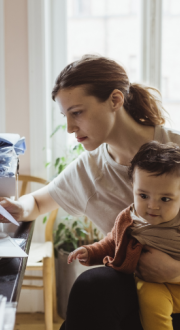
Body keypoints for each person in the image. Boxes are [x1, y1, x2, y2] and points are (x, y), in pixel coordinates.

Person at [0, 55, 180, 329]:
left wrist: (176, 272)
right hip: (133, 288)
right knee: (92, 287)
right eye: (66, 116)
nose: (70, 128)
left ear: (115, 100)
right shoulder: (89, 170)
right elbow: (37, 201)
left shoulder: (174, 150)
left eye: (77, 112)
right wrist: (17, 207)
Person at [68, 141, 180, 330]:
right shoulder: (129, 218)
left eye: (165, 199)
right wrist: (91, 252)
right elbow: (112, 241)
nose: (152, 206)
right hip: (152, 283)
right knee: (151, 302)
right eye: (143, 196)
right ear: (133, 188)